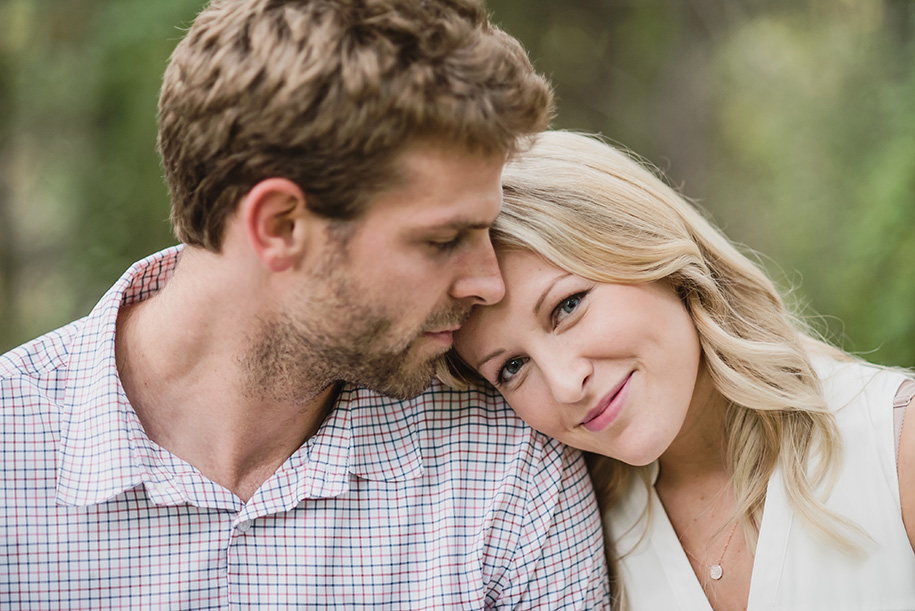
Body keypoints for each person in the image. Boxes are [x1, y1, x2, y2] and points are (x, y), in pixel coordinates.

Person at [0, 4, 612, 608]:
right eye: (442, 240)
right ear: (280, 225)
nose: (489, 283)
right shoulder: (13, 450)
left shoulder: (507, 473)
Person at [446, 130, 915, 610]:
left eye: (568, 306)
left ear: (649, 247)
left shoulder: (895, 446)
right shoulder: (568, 544)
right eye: (513, 367)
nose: (567, 385)